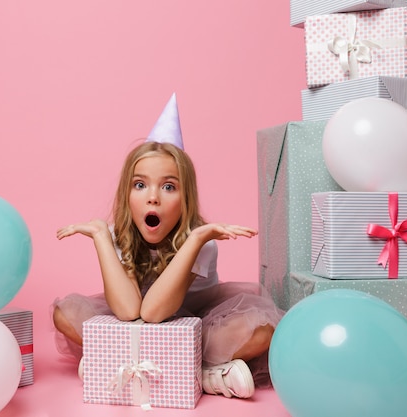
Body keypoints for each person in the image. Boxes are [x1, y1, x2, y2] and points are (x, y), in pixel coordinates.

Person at [52, 93, 284, 399]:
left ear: (185, 197)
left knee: (262, 328)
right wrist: (101, 238)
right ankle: (199, 373)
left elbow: (155, 312)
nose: (153, 197)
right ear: (127, 195)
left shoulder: (201, 242)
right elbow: (129, 310)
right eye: (140, 185)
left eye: (168, 186)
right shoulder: (120, 235)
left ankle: (190, 371)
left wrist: (196, 240)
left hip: (197, 320)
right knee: (65, 314)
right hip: (138, 319)